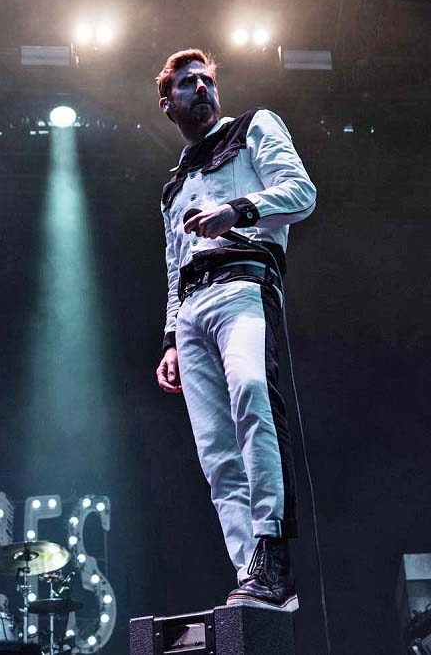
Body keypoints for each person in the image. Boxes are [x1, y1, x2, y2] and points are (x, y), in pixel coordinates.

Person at [153, 48, 316, 611]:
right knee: (215, 451)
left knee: (253, 397)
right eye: (187, 82)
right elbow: (174, 266)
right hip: (194, 308)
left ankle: (273, 552)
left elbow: (301, 195)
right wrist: (171, 339)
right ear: (166, 101)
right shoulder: (173, 187)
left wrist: (236, 212)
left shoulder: (254, 127)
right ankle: (255, 578)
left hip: (243, 282)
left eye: (207, 79)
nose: (200, 87)